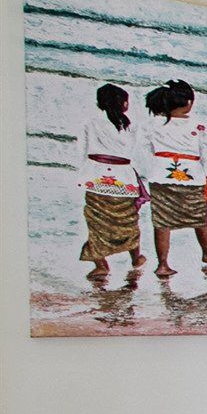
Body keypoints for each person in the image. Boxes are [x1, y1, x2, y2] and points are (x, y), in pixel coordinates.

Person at [141, 79, 207, 277]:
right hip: (192, 178)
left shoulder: (152, 125)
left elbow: (145, 151)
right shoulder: (200, 126)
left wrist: (152, 171)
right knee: (199, 218)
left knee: (162, 222)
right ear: (188, 103)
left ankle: (162, 264)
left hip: (160, 177)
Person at [77, 83, 146, 277]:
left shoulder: (89, 123)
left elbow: (81, 152)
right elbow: (135, 154)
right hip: (123, 177)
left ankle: (100, 265)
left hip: (96, 177)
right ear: (124, 104)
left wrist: (84, 175)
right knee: (128, 221)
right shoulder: (130, 126)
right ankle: (135, 258)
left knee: (96, 223)